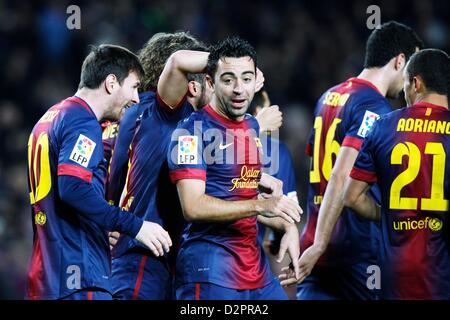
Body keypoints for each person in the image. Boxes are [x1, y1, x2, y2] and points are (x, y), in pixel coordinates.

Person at [280, 21, 423, 300]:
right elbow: (341, 176)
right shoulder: (374, 106)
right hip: (353, 252)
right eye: (411, 70)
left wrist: (318, 241)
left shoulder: (329, 96)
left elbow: (316, 167)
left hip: (316, 247)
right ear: (399, 61)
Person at [26, 44, 172, 300]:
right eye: (135, 87)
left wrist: (98, 223)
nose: (137, 98)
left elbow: (64, 199)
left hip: (47, 278)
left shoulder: (50, 117)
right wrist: (135, 226)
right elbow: (72, 187)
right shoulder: (82, 121)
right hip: (79, 279)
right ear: (112, 82)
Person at [168, 36, 302, 300]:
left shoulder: (250, 129)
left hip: (256, 272)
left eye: (246, 79)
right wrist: (262, 205)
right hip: (209, 271)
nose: (239, 89)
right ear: (210, 82)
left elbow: (236, 197)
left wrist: (285, 225)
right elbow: (193, 206)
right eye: (228, 80)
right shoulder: (189, 132)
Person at [109, 34, 213, 300]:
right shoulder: (166, 114)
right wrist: (235, 64)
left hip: (148, 254)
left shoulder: (139, 113)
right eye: (210, 79)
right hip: (144, 256)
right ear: (191, 84)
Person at [344, 49, 450, 299]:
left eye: (405, 85)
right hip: (442, 278)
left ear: (416, 83)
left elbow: (352, 197)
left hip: (395, 279)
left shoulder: (382, 126)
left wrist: (388, 215)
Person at [250, 90, 298, 300]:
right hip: (249, 261)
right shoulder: (276, 151)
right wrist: (276, 236)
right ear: (260, 112)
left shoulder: (211, 140)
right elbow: (290, 213)